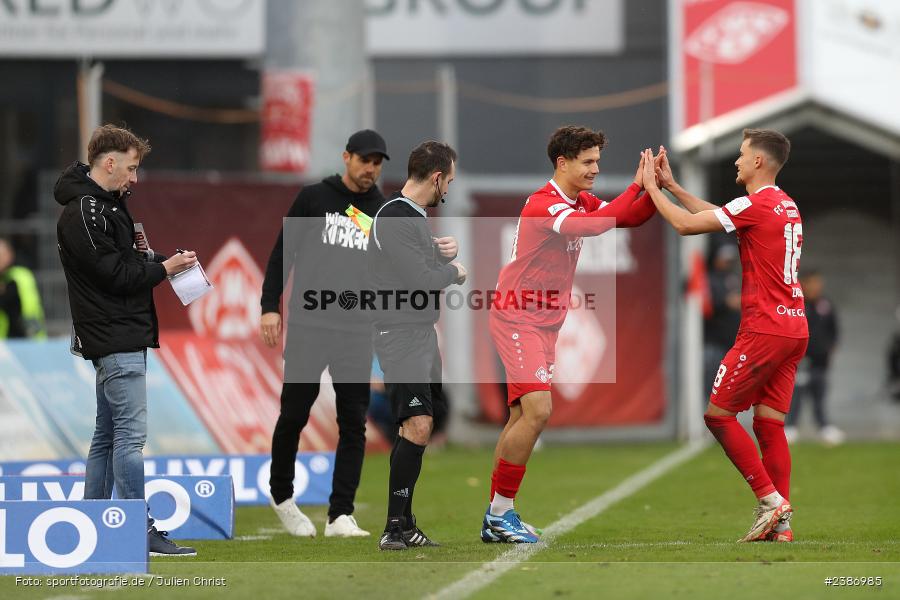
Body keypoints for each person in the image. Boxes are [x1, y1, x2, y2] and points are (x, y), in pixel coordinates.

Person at [482, 126, 657, 544]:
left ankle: (497, 515)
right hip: (517, 317)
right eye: (589, 161)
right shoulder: (546, 204)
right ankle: (499, 513)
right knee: (539, 411)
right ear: (562, 163)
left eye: (597, 160)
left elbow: (629, 215)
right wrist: (638, 183)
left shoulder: (577, 200)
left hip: (544, 323)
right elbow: (598, 226)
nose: (596, 168)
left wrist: (655, 187)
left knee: (521, 417)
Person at [640, 129, 807, 543]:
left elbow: (684, 225)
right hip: (794, 326)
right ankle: (780, 527)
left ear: (758, 163)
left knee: (718, 415)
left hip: (764, 328)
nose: (736, 160)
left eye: (741, 154)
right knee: (769, 426)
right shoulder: (782, 203)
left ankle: (770, 501)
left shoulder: (758, 203)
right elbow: (719, 216)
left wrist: (650, 189)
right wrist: (674, 186)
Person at [55, 124, 199, 556]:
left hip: (118, 334)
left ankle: (94, 521)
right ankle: (137, 527)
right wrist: (165, 270)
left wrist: (159, 259)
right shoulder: (86, 211)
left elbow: (124, 260)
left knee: (107, 436)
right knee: (130, 439)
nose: (135, 179)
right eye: (131, 169)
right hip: (114, 334)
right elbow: (114, 276)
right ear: (110, 162)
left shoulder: (104, 206)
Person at [260, 129, 390, 538]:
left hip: (355, 331)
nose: (371, 169)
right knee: (294, 414)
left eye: (377, 162)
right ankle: (281, 495)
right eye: (365, 159)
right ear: (347, 157)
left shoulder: (381, 209)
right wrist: (269, 307)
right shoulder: (314, 198)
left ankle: (340, 515)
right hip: (310, 327)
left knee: (354, 423)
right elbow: (283, 252)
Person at [368, 140, 466, 550]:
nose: (449, 190)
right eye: (450, 181)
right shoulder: (395, 215)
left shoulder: (411, 217)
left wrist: (441, 252)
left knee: (417, 427)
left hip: (419, 333)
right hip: (401, 333)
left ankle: (402, 524)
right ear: (438, 177)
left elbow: (417, 265)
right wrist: (455, 271)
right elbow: (419, 279)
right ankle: (395, 526)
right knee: (418, 425)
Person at [785, 270, 844, 445]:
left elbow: (834, 330)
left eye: (819, 283)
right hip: (800, 361)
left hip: (820, 361)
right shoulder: (795, 304)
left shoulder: (826, 304)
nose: (816, 287)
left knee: (820, 393)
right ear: (803, 283)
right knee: (796, 394)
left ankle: (824, 426)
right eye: (813, 283)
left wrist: (831, 348)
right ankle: (791, 427)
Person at [0, 236, 46, 339]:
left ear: (9, 255)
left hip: (27, 338)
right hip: (8, 341)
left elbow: (13, 303)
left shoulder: (18, 276)